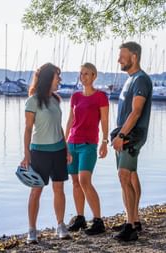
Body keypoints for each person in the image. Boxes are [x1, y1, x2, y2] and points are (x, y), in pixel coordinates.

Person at [20, 63, 70, 244]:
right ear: (49, 78)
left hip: (58, 151)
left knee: (59, 189)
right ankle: (32, 230)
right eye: (58, 77)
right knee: (36, 191)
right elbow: (27, 129)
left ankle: (60, 225)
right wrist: (26, 154)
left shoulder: (56, 100)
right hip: (39, 152)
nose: (60, 80)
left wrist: (66, 149)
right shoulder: (32, 100)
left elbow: (59, 128)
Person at [112, 41, 153, 242]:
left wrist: (121, 136)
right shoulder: (130, 79)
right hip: (124, 134)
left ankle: (130, 227)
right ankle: (134, 219)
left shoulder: (141, 80)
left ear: (134, 56)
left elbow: (136, 112)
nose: (119, 59)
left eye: (122, 55)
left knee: (124, 176)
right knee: (131, 176)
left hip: (131, 137)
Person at [65, 62, 109, 235]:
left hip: (89, 145)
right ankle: (80, 218)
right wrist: (64, 141)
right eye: (81, 73)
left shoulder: (101, 97)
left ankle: (98, 221)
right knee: (75, 182)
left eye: (87, 74)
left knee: (84, 180)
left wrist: (105, 141)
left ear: (94, 76)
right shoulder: (75, 96)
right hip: (72, 143)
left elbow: (104, 121)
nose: (83, 76)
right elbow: (70, 120)